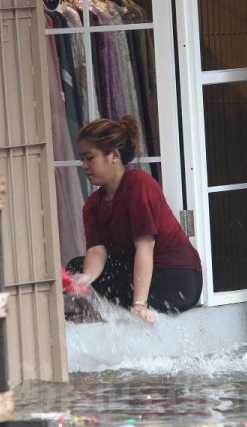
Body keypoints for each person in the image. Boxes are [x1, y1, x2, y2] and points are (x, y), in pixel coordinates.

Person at [66, 116, 202, 324]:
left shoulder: (139, 184)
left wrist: (140, 303)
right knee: (77, 267)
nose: (84, 165)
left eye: (89, 157)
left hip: (177, 280)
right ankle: (101, 323)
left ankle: (132, 312)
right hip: (139, 274)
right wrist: (87, 278)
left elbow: (145, 247)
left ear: (113, 156)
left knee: (98, 272)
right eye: (81, 158)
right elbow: (97, 250)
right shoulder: (93, 204)